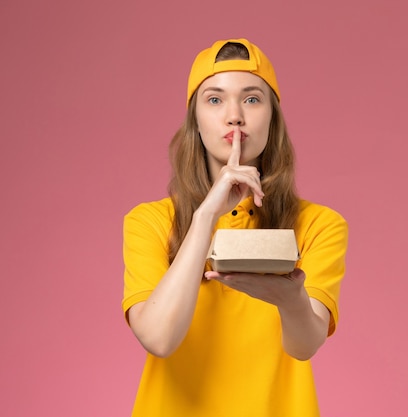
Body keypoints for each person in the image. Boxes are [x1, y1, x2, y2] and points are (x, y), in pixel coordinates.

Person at [122, 38, 349, 416]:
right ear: (194, 119)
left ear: (272, 117)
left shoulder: (318, 225)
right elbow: (159, 338)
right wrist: (206, 216)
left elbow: (304, 345)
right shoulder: (149, 222)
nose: (234, 116)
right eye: (214, 99)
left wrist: (290, 296)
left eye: (252, 99)